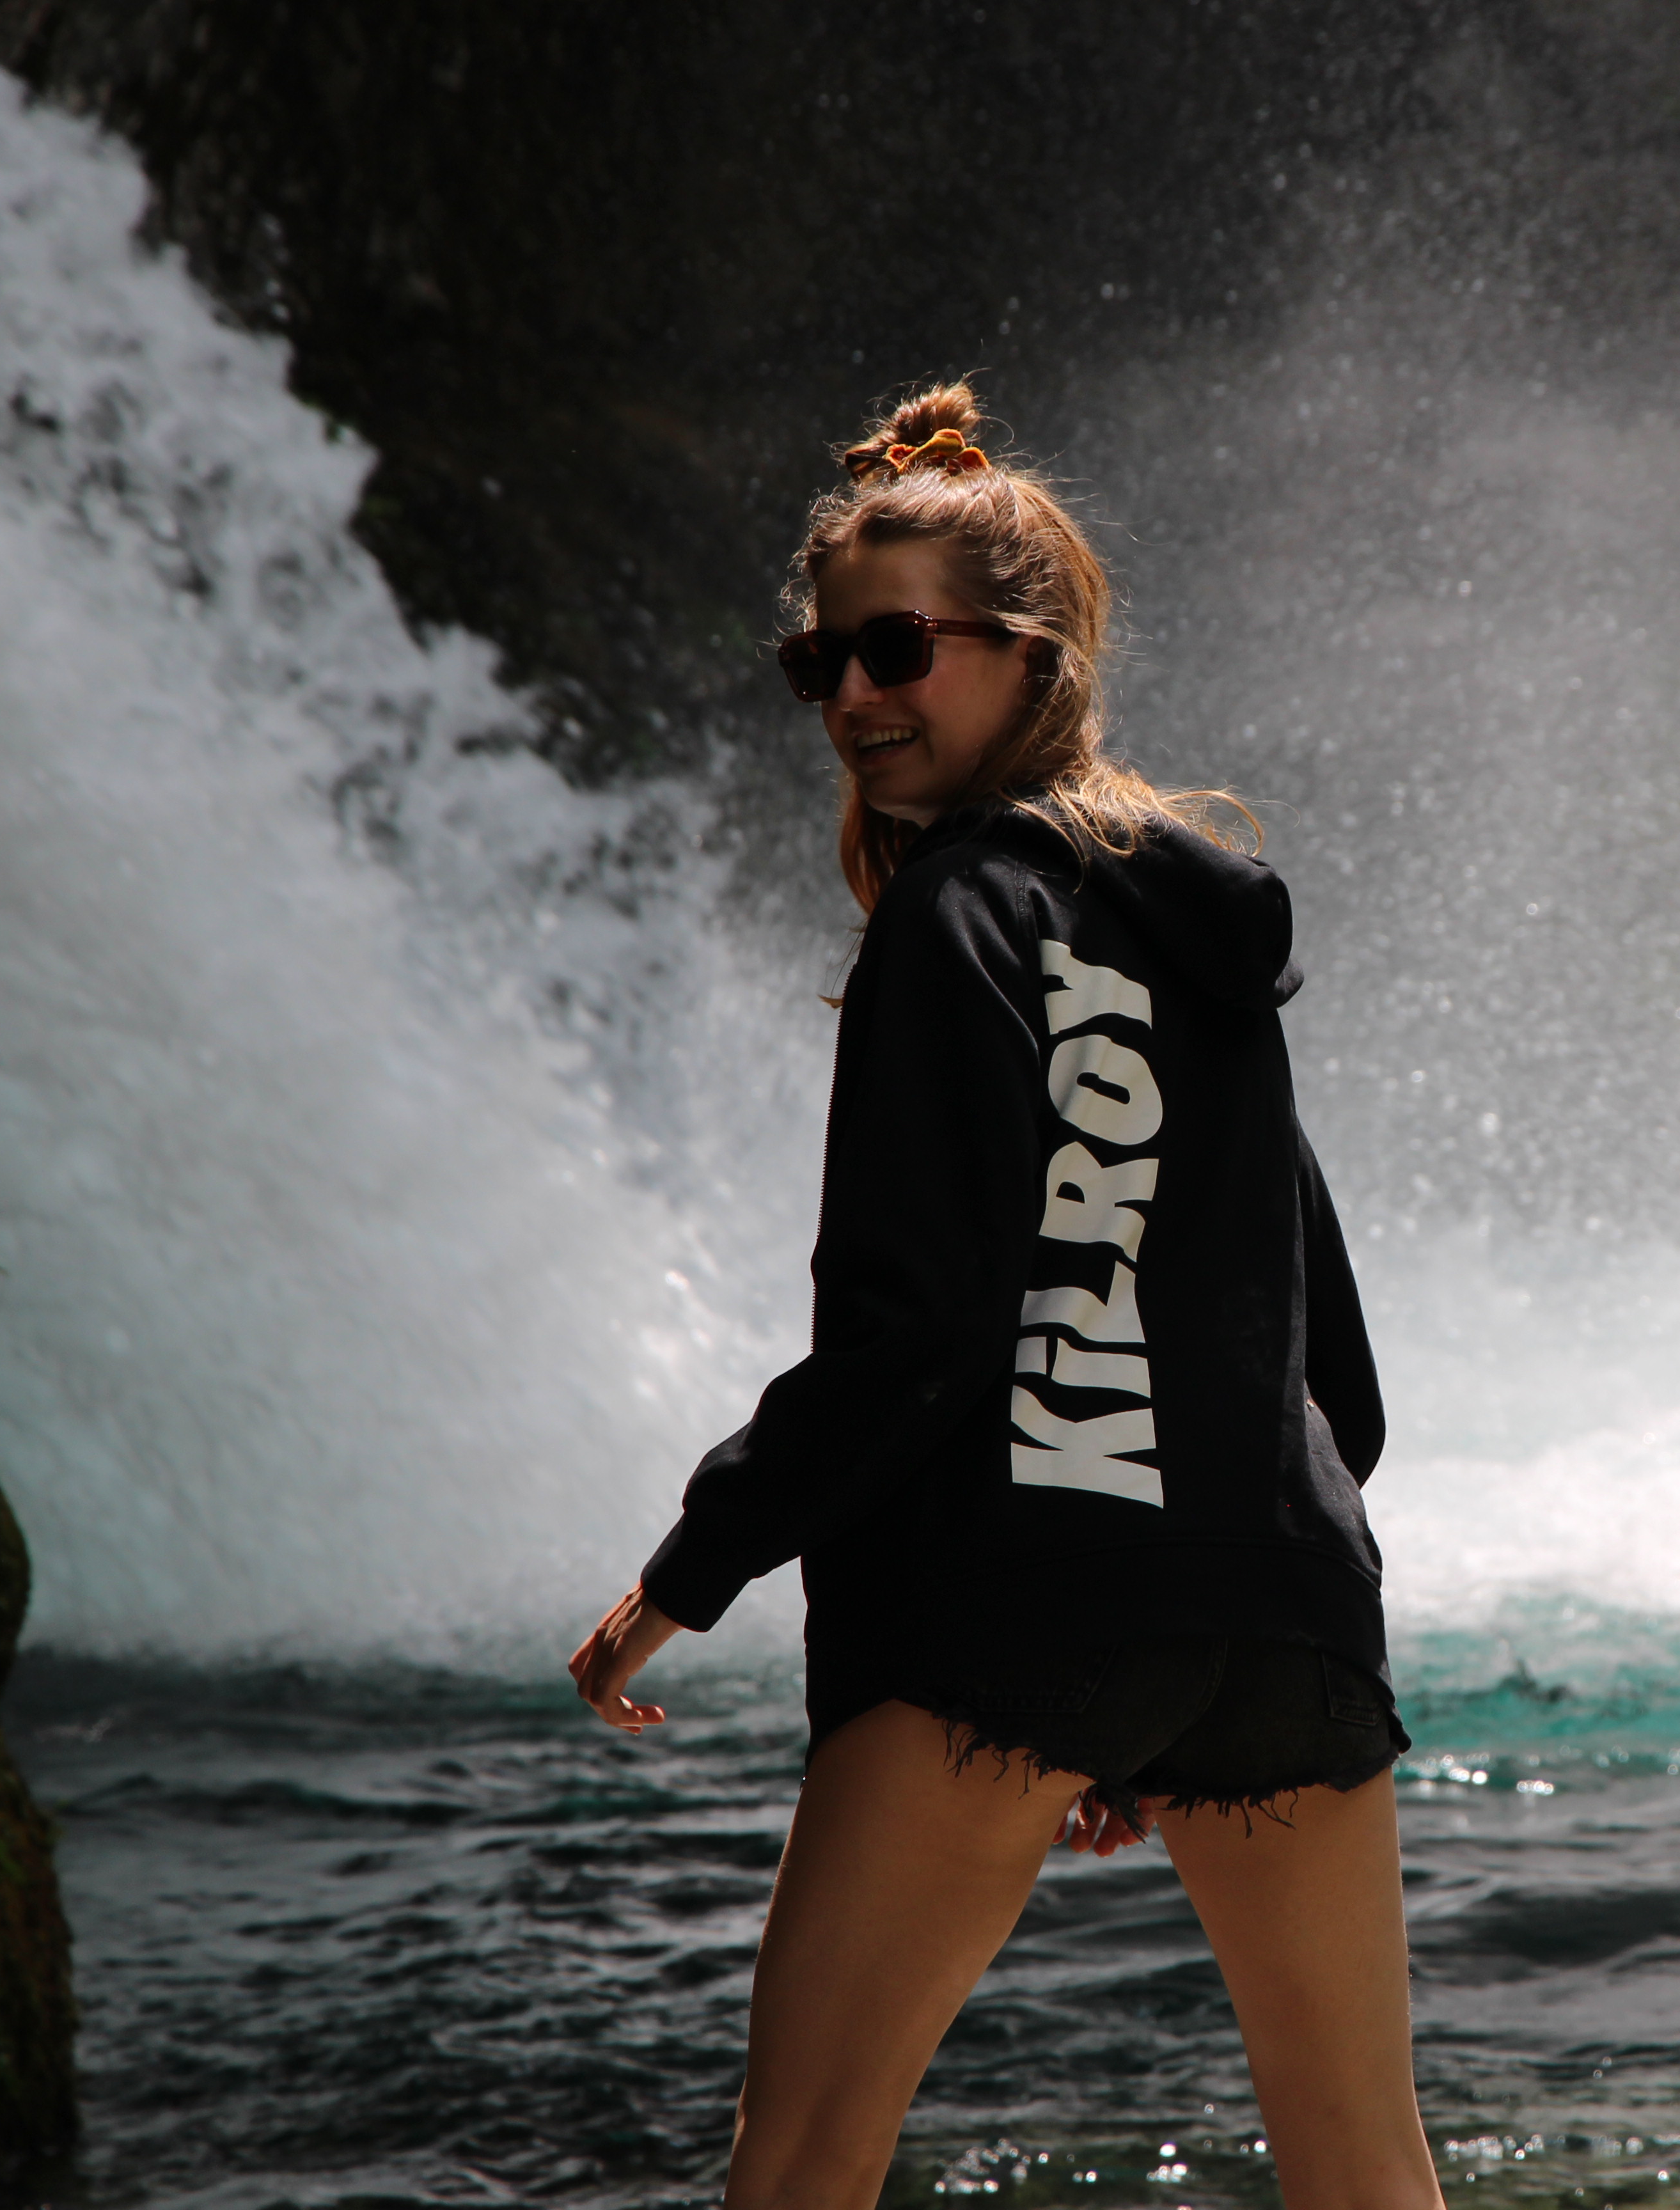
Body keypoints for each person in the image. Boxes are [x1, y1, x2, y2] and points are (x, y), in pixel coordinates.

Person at [566, 385, 1439, 2210]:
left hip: (1016, 1596)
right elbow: (1332, 1377)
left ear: (1025, 656)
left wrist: (690, 1570)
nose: (860, 698)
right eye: (825, 667)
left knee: (802, 2159)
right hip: (1277, 1604)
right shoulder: (1200, 949)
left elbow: (921, 1332)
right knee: (1366, 2163)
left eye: (899, 649)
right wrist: (1169, 1664)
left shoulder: (951, 921)